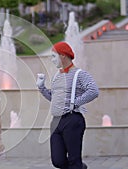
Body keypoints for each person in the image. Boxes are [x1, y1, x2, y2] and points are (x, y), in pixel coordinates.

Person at [36, 41, 99, 169]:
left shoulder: (80, 74)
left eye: (54, 56)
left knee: (73, 159)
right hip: (56, 121)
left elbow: (93, 91)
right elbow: (54, 99)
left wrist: (75, 103)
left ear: (63, 55)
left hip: (72, 120)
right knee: (57, 161)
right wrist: (41, 87)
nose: (52, 60)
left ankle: (77, 166)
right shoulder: (56, 76)